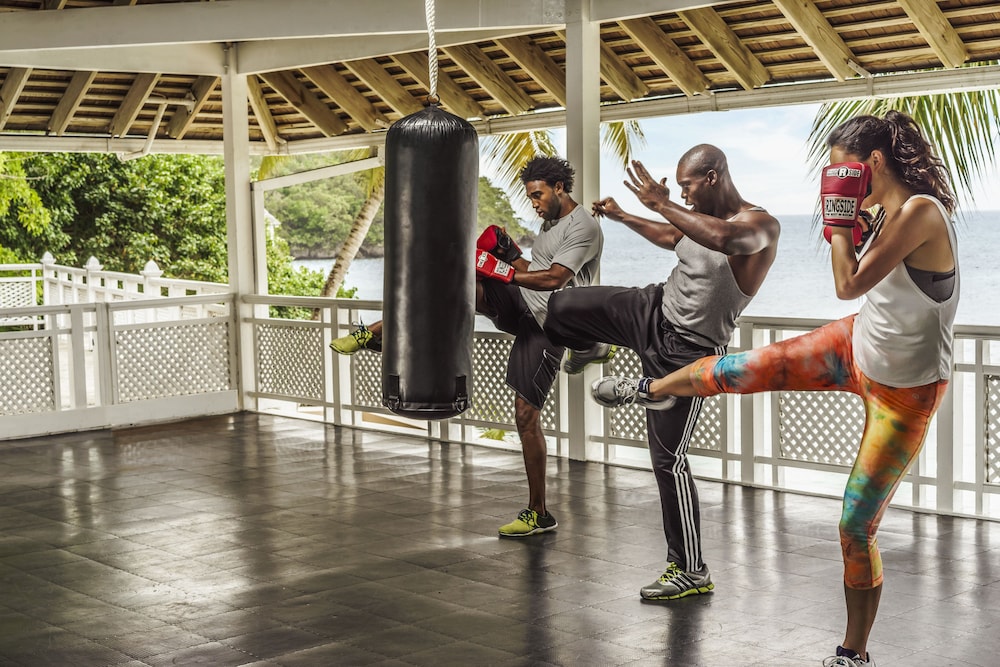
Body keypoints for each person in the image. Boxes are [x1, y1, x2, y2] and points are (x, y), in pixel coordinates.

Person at [594, 111, 958, 667]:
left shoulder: (920, 212)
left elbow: (847, 283)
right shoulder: (884, 211)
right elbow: (862, 285)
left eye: (845, 171)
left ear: (875, 163)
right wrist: (853, 221)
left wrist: (839, 226)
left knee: (855, 524)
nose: (840, 182)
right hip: (853, 344)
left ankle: (852, 654)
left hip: (905, 389)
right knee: (742, 367)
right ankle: (651, 385)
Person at [543, 145, 780, 599]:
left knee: (668, 461)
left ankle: (690, 570)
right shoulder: (691, 220)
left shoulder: (760, 225)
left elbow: (726, 241)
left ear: (712, 177)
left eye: (688, 187)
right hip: (651, 307)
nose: (685, 197)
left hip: (688, 352)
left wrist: (663, 203)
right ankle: (593, 346)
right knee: (563, 305)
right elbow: (674, 238)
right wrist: (623, 216)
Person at [330, 155, 607, 537]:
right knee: (455, 277)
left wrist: (501, 268)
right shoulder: (550, 224)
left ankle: (539, 512)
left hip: (550, 326)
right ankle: (376, 334)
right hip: (523, 306)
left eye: (539, 195)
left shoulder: (583, 227)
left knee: (525, 418)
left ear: (560, 188)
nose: (535, 203)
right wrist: (508, 254)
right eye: (530, 197)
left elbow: (554, 280)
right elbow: (532, 271)